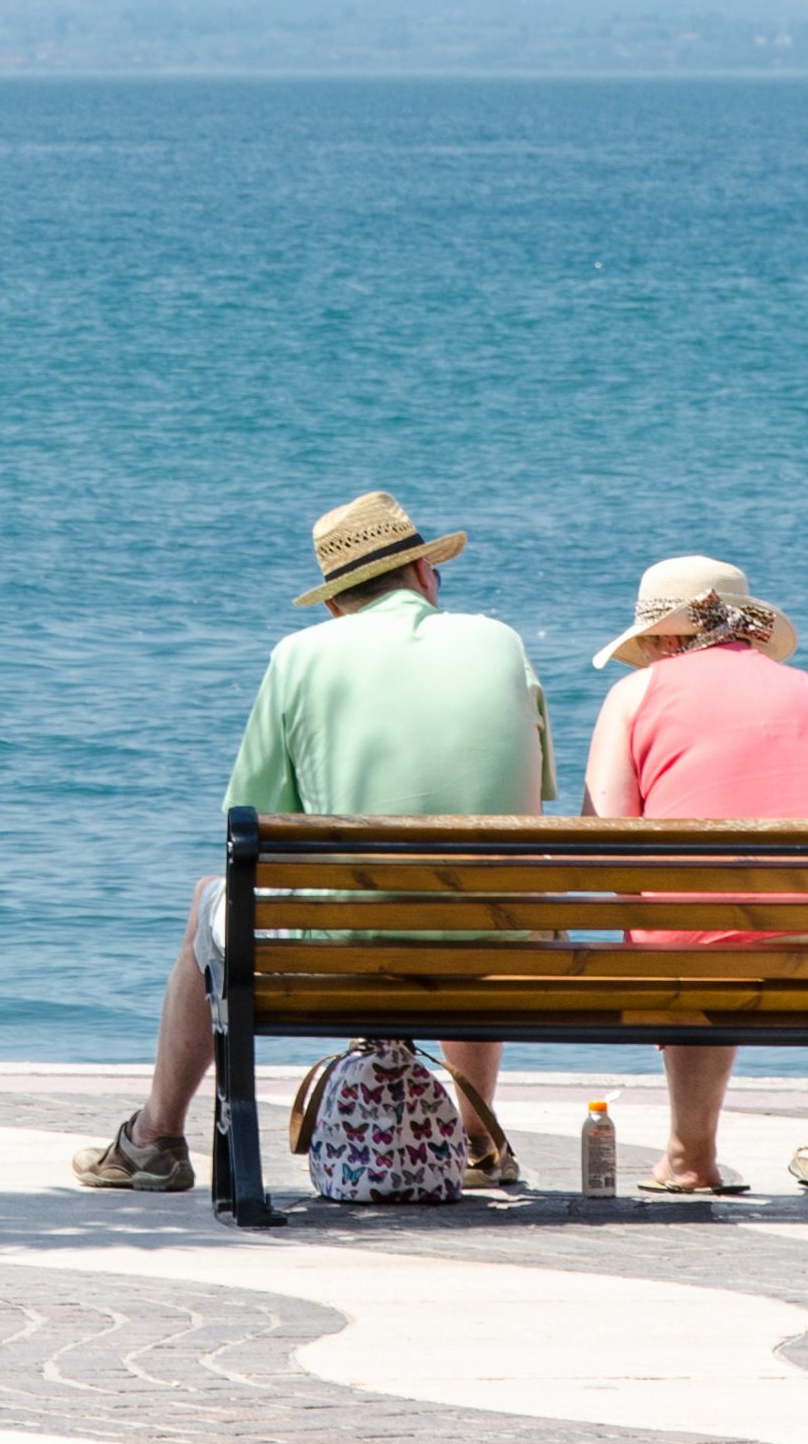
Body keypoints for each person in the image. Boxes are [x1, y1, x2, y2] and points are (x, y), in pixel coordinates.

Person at [72, 487, 553, 1192]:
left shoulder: (300, 657)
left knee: (210, 896)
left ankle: (154, 1139)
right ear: (425, 575)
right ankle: (478, 1141)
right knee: (470, 883)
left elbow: (252, 824)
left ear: (334, 602)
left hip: (346, 953)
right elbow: (528, 796)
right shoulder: (502, 642)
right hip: (494, 946)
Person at [584, 553, 808, 1196]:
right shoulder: (806, 686)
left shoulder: (634, 694)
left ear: (667, 635)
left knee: (683, 920)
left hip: (705, 946)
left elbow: (605, 843)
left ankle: (690, 1155)